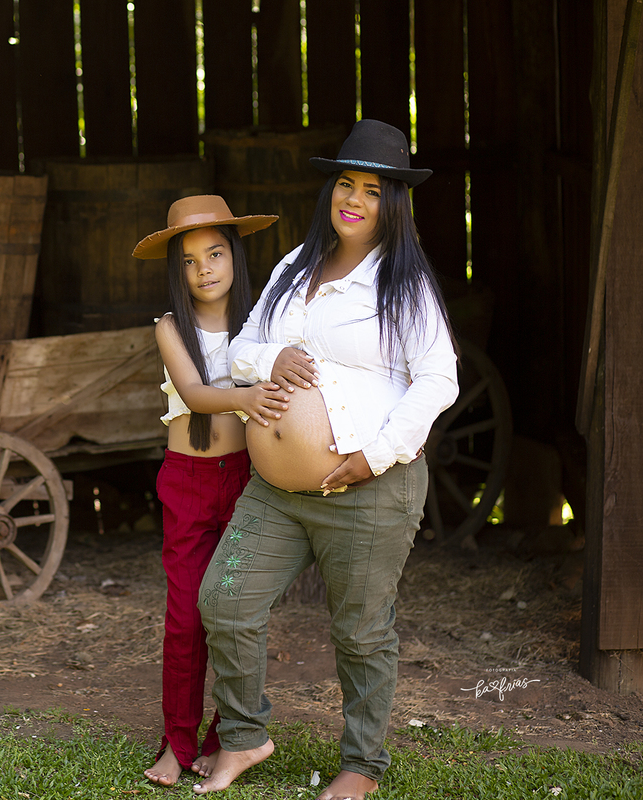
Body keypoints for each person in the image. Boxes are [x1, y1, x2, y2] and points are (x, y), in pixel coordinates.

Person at [192, 120, 460, 798]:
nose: (354, 199)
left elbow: (438, 380)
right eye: (345, 184)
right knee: (224, 599)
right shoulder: (294, 268)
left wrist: (374, 457)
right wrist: (271, 357)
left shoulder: (405, 284)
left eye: (372, 190)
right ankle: (246, 738)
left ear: (391, 202)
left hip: (367, 490)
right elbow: (240, 352)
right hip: (277, 492)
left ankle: (361, 766)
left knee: (362, 634)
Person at [132, 196, 289, 786]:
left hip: (250, 481)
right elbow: (196, 394)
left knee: (233, 611)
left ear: (234, 255)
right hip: (189, 481)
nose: (205, 269)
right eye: (190, 260)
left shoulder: (263, 322)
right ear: (178, 272)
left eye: (216, 252)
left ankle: (229, 737)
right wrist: (245, 397)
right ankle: (176, 741)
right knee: (184, 618)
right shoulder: (171, 329)